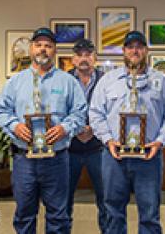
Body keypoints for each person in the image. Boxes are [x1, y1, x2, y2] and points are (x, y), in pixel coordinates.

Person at [0, 27, 87, 234]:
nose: (43, 49)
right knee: (24, 215)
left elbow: (80, 113)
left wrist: (65, 127)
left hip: (56, 160)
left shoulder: (68, 82)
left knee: (58, 216)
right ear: (31, 49)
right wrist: (14, 126)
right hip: (24, 160)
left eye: (48, 45)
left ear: (55, 50)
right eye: (39, 45)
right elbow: (0, 110)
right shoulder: (15, 82)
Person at [89, 30, 165, 233]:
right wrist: (108, 140)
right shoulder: (108, 81)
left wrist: (159, 142)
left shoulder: (161, 81)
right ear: (123, 50)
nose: (135, 50)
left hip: (149, 156)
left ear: (146, 50)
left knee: (150, 213)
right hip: (114, 156)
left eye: (139, 46)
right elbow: (95, 113)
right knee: (113, 211)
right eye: (130, 46)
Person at [67, 38, 107, 233]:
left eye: (88, 54)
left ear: (95, 58)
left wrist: (94, 127)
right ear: (73, 59)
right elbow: (58, 111)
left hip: (98, 148)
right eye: (79, 54)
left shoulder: (106, 80)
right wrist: (75, 128)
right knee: (63, 200)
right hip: (69, 149)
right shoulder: (63, 80)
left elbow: (113, 110)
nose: (84, 58)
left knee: (106, 199)